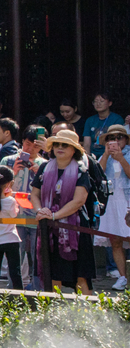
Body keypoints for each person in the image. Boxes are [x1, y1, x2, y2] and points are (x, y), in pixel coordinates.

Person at [30, 129, 93, 295]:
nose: (60, 148)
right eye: (56, 144)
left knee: (81, 277)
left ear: (74, 150)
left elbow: (79, 200)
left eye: (65, 145)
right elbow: (34, 195)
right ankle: (53, 314)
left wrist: (54, 216)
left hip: (75, 228)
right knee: (52, 274)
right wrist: (41, 211)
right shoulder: (44, 167)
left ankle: (89, 316)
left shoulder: (81, 170)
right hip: (48, 228)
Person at [2, 125, 47, 289]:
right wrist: (12, 172)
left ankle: (38, 287)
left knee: (38, 255)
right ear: (22, 142)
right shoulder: (7, 160)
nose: (30, 149)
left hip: (36, 216)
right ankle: (13, 286)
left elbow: (48, 190)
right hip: (14, 215)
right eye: (28, 144)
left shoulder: (46, 164)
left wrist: (40, 173)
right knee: (15, 254)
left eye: (35, 146)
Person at [96, 125, 130, 291]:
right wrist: (106, 154)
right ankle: (123, 277)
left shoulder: (129, 153)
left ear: (125, 139)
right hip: (110, 201)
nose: (115, 141)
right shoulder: (105, 156)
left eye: (119, 137)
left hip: (127, 200)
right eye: (111, 138)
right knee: (115, 241)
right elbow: (98, 175)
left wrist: (121, 158)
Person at [83, 92, 123, 159]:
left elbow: (119, 141)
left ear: (110, 103)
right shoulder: (90, 120)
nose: (98, 104)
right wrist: (88, 158)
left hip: (110, 155)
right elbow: (87, 143)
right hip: (93, 156)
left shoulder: (117, 119)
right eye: (95, 101)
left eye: (102, 101)